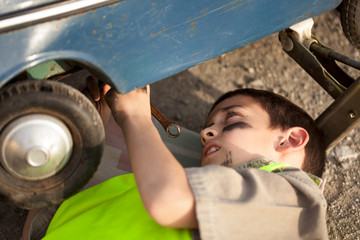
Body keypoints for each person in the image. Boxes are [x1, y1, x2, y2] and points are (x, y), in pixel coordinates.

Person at [28, 79, 329, 239]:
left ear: (290, 140)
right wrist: (96, 122)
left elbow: (168, 199)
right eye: (210, 126)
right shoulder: (140, 185)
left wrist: (136, 117)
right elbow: (42, 213)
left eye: (232, 119)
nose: (208, 131)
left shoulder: (296, 202)